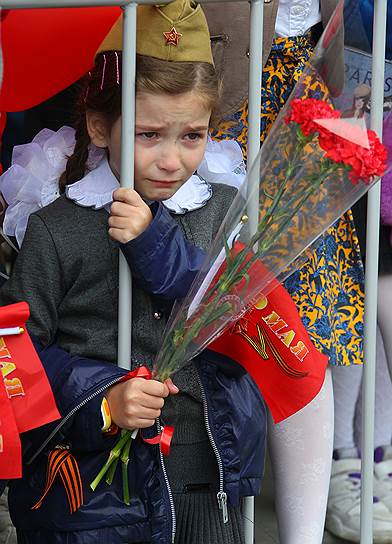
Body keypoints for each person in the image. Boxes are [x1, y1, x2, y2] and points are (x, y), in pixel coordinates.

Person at [0, 2, 266, 543]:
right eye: (149, 135)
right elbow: (17, 356)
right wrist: (104, 399)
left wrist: (153, 242)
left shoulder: (221, 211)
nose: (172, 160)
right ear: (101, 125)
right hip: (91, 493)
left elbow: (229, 310)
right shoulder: (57, 227)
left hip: (202, 472)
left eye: (191, 135)